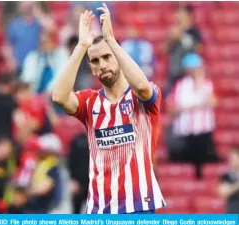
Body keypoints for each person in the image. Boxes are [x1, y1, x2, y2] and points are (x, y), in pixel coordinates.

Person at [52, 4, 166, 214]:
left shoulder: (142, 96)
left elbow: (141, 86)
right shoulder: (89, 101)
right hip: (99, 210)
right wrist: (81, 47)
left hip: (137, 207)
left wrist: (112, 41)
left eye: (107, 57)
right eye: (95, 61)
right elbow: (58, 96)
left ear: (118, 56)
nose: (102, 64)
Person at [166, 53, 218, 179]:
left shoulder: (206, 83)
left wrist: (200, 85)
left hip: (203, 131)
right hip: (185, 132)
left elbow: (213, 102)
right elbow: (172, 109)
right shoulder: (179, 86)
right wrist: (190, 107)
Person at [219, 147, 239, 214]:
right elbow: (223, 192)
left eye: (234, 157)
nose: (231, 160)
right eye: (230, 158)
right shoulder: (226, 175)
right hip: (233, 212)